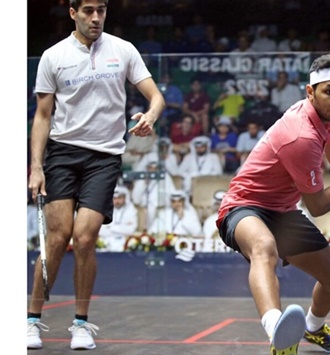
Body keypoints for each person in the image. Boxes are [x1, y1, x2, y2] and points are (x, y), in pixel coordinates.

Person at [216, 53, 330, 355]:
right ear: (310, 92)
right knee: (264, 247)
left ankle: (313, 328)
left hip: (282, 211)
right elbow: (318, 206)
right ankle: (277, 332)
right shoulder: (300, 135)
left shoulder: (323, 119)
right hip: (243, 206)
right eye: (329, 91)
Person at [27, 0, 165, 350]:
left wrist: (150, 116)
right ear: (72, 12)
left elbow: (156, 97)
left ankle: (81, 324)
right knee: (57, 239)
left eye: (101, 10)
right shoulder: (53, 56)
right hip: (62, 154)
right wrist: (36, 167)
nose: (96, 17)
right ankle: (32, 320)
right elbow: (43, 116)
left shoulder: (123, 50)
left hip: (104, 157)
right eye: (88, 10)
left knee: (85, 238)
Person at [98, 186, 138, 252]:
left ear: (125, 198)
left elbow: (131, 230)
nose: (117, 201)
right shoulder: (105, 209)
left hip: (126, 242)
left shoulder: (131, 209)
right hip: (106, 242)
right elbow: (101, 231)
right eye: (114, 198)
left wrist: (111, 228)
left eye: (119, 198)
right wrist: (122, 229)